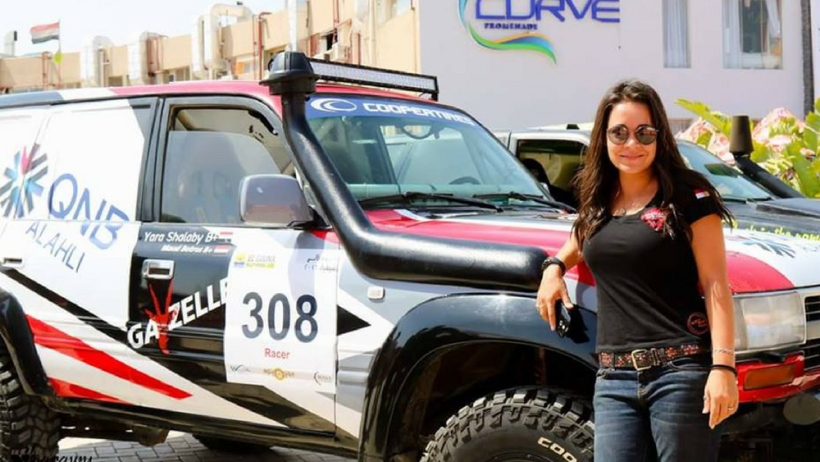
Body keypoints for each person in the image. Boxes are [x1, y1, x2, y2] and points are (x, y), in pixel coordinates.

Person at [535, 80, 739, 461]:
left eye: (644, 133)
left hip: (680, 373)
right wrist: (555, 266)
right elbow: (583, 236)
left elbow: (716, 284)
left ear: (659, 136)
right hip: (613, 380)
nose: (632, 143)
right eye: (620, 133)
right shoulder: (598, 198)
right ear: (603, 137)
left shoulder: (689, 197)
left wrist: (723, 367)